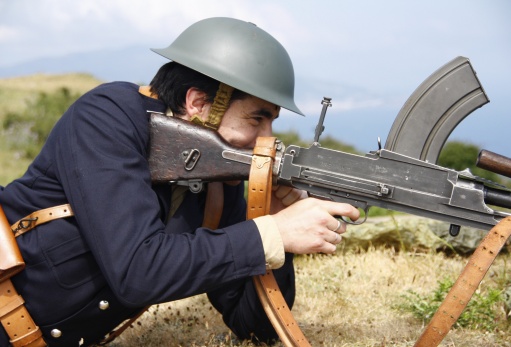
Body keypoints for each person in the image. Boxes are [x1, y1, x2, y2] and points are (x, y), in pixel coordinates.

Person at [0, 17, 359, 346]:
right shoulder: (106, 118)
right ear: (199, 103)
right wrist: (271, 233)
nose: (266, 138)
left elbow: (256, 329)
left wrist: (279, 231)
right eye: (257, 118)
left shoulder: (218, 181)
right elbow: (137, 272)